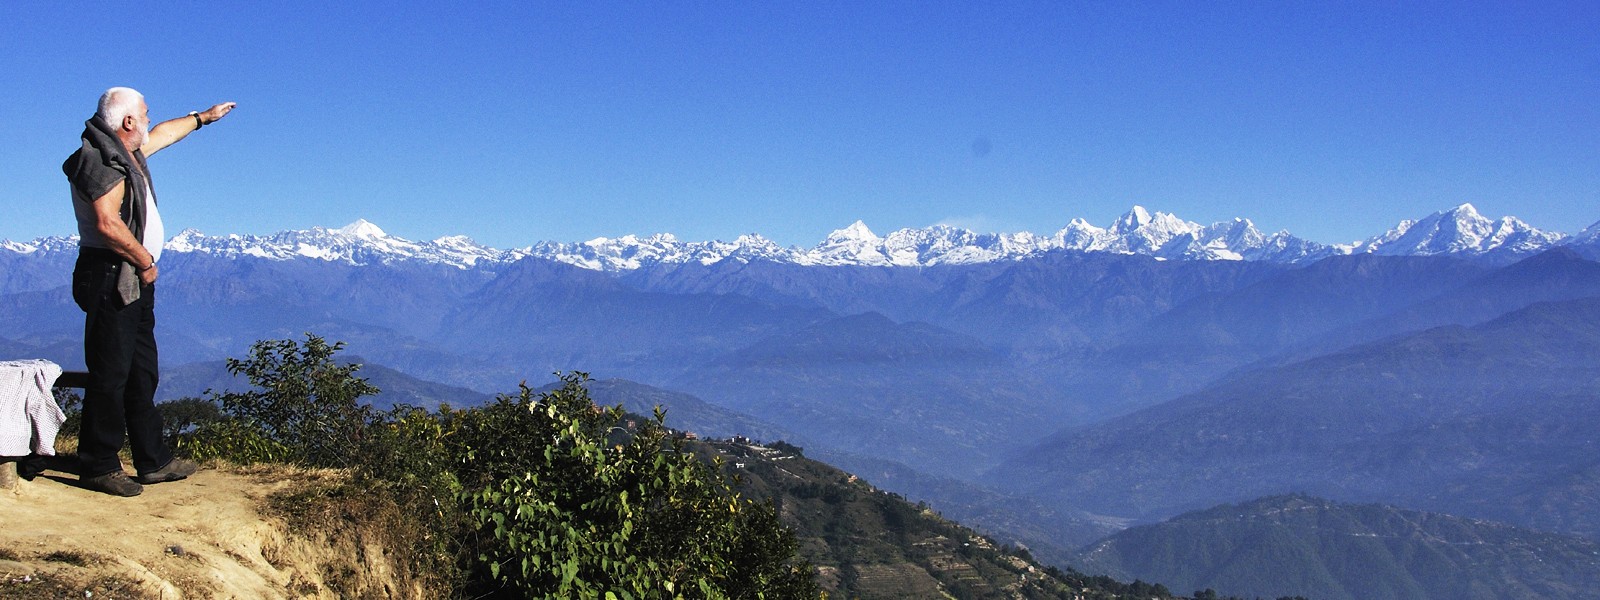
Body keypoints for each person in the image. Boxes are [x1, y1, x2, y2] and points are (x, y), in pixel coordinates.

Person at [62, 87, 235, 496]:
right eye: (143, 114)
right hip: (112, 275)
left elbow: (163, 134)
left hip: (132, 278)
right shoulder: (99, 160)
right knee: (111, 372)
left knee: (141, 370)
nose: (148, 120)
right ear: (126, 122)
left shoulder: (126, 153)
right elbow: (107, 223)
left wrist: (203, 118)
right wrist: (144, 260)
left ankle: (152, 459)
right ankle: (98, 464)